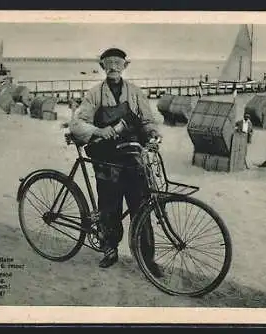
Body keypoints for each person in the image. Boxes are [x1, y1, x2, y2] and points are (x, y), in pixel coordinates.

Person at [69, 48, 163, 274]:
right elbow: (78, 123)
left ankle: (146, 259)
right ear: (102, 66)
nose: (113, 67)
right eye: (108, 63)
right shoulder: (94, 94)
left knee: (141, 206)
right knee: (109, 206)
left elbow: (148, 120)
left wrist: (152, 133)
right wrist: (100, 132)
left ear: (125, 66)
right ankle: (109, 250)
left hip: (131, 156)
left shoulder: (135, 93)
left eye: (117, 63)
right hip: (106, 158)